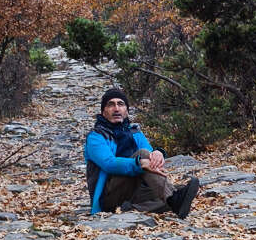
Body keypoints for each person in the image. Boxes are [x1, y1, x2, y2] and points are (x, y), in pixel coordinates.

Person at [84, 87, 200, 219]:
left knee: (179, 190)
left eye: (120, 104)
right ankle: (172, 199)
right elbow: (109, 163)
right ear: (103, 111)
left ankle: (133, 207)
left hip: (135, 190)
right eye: (111, 105)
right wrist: (139, 163)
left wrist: (158, 153)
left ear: (126, 111)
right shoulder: (96, 137)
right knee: (144, 156)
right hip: (109, 195)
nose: (116, 109)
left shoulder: (134, 132)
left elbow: (150, 155)